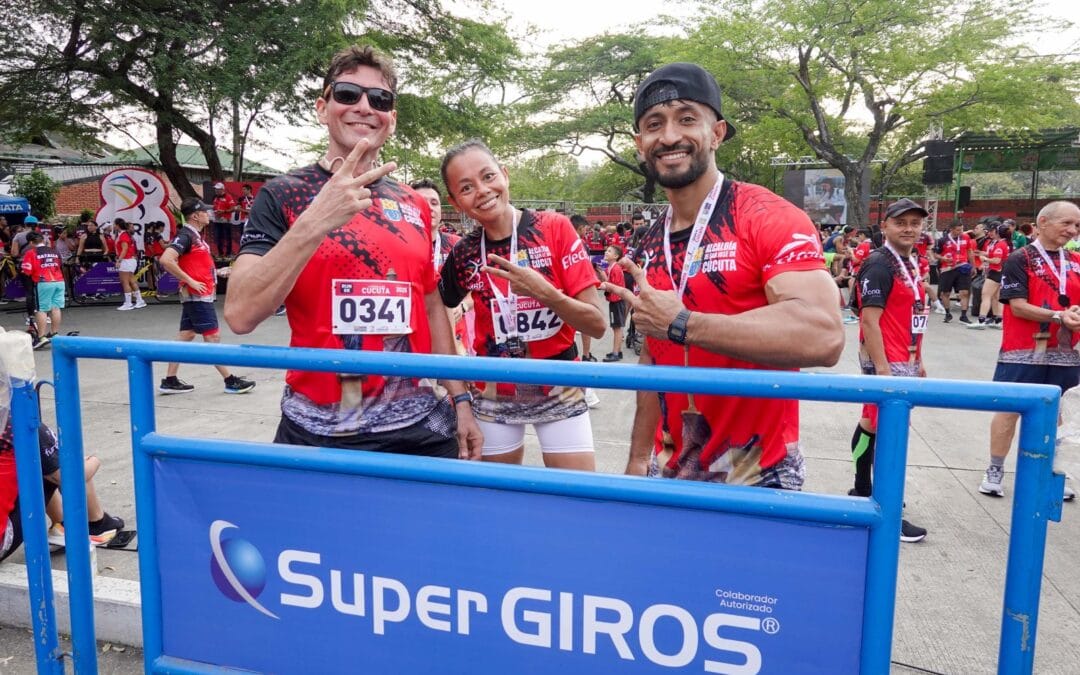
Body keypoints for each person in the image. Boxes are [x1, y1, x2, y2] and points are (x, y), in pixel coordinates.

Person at [225, 45, 482, 460]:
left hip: (417, 425)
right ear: (322, 107)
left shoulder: (414, 203)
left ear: (391, 119)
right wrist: (316, 219)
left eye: (379, 99)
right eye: (347, 95)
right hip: (320, 427)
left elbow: (431, 305)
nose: (364, 107)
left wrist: (461, 399)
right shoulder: (283, 195)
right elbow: (240, 314)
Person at [603, 62, 843, 486]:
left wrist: (683, 323)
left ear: (717, 133)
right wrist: (639, 459)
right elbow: (652, 361)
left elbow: (823, 334)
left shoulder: (766, 216)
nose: (670, 135)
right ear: (641, 144)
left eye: (687, 118)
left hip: (757, 472)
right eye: (654, 124)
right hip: (671, 470)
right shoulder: (650, 241)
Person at [438, 139, 606, 470]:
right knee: (497, 499)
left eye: (488, 177)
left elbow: (597, 324)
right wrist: (457, 377)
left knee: (576, 498)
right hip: (494, 388)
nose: (483, 191)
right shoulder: (464, 252)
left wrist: (547, 294)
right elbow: (436, 307)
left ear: (505, 174)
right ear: (455, 202)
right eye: (467, 187)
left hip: (558, 382)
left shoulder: (554, 228)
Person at [979, 201, 1080, 500]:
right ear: (1044, 222)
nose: (1072, 230)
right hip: (1021, 350)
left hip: (1065, 352)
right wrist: (1059, 316)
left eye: (1077, 225)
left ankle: (1050, 472)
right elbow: (1018, 306)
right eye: (1067, 223)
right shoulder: (1019, 259)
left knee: (1058, 414)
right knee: (1009, 410)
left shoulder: (1076, 261)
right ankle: (995, 469)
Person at [850, 198, 930, 542]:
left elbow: (910, 314)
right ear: (885, 226)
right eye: (902, 222)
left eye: (915, 222)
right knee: (890, 433)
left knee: (870, 422)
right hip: (888, 363)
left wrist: (918, 360)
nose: (909, 228)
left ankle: (862, 489)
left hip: (904, 360)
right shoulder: (880, 264)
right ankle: (886, 508)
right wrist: (883, 370)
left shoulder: (911, 262)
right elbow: (870, 319)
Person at [157, 199, 255, 395]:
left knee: (187, 335)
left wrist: (218, 272)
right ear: (195, 215)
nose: (208, 214)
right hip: (197, 295)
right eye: (204, 211)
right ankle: (230, 380)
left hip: (199, 293)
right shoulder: (186, 236)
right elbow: (166, 259)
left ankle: (170, 380)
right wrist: (191, 281)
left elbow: (195, 264)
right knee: (212, 337)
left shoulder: (195, 237)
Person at [410, 178, 470, 355]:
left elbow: (474, 292)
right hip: (414, 339)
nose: (429, 207)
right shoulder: (400, 246)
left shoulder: (458, 245)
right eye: (421, 202)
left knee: (457, 382)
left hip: (455, 340)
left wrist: (463, 306)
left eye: (434, 202)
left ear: (441, 210)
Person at [19, 232, 65, 350]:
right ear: (42, 240)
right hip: (59, 281)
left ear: (30, 243)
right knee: (55, 308)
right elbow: (60, 265)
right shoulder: (53, 250)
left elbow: (26, 271)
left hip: (43, 282)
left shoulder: (31, 252)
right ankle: (55, 334)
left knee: (41, 309)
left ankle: (41, 337)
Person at [934, 220, 975, 324]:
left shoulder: (966, 237)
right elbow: (935, 255)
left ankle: (964, 315)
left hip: (963, 267)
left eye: (962, 229)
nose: (961, 232)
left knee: (965, 292)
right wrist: (943, 258)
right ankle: (948, 313)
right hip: (948, 268)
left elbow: (970, 251)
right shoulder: (942, 240)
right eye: (958, 230)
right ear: (951, 229)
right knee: (945, 293)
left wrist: (973, 266)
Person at [976, 224, 1010, 328]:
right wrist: (982, 254)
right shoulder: (999, 243)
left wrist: (984, 259)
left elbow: (996, 260)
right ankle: (998, 320)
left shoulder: (1000, 244)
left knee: (985, 295)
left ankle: (981, 321)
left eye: (992, 231)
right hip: (1000, 272)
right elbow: (993, 254)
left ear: (998, 232)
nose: (989, 233)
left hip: (996, 272)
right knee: (996, 297)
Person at [601, 244, 627, 362]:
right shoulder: (610, 267)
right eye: (606, 250)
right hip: (615, 301)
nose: (606, 252)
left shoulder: (615, 268)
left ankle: (616, 353)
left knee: (617, 327)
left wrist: (603, 285)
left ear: (616, 256)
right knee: (615, 326)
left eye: (609, 251)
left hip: (617, 301)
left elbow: (612, 286)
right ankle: (618, 351)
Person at [113, 218, 144, 310]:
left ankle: (128, 303)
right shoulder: (124, 234)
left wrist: (119, 260)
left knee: (125, 282)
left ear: (118, 225)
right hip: (129, 260)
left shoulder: (123, 235)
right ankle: (140, 301)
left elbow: (125, 249)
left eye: (114, 224)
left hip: (126, 261)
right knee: (131, 281)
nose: (113, 226)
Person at [211, 182, 237, 257]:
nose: (216, 190)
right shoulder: (215, 197)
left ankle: (228, 253)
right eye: (215, 189)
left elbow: (233, 208)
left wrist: (224, 211)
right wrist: (213, 212)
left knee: (227, 237)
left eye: (217, 189)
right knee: (218, 237)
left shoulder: (228, 197)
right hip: (217, 220)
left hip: (226, 221)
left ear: (222, 189)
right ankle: (220, 253)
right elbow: (214, 207)